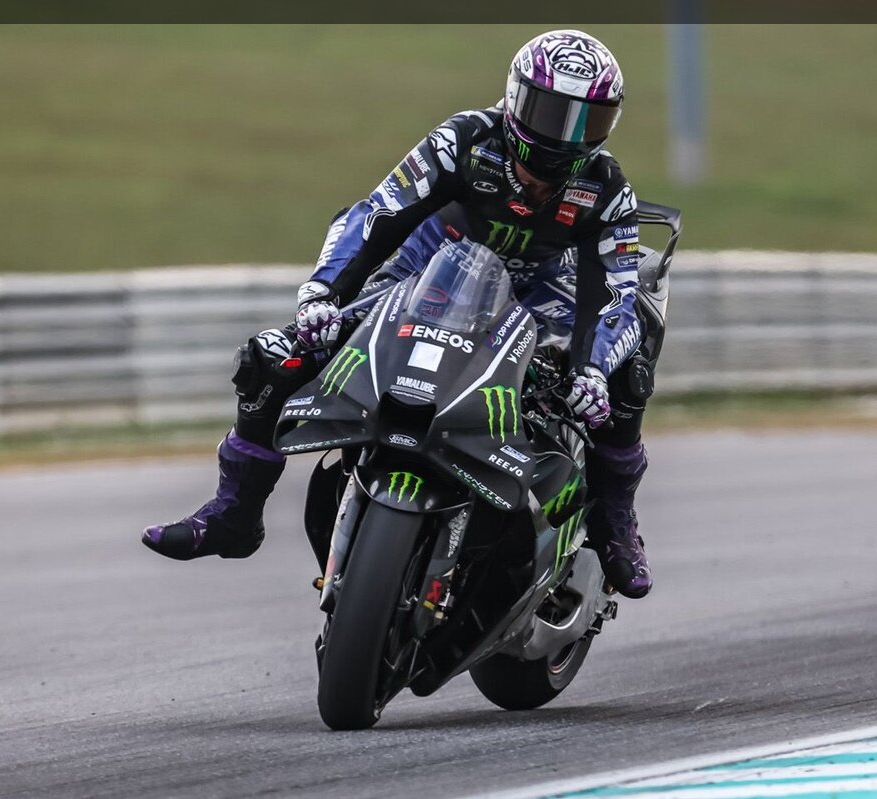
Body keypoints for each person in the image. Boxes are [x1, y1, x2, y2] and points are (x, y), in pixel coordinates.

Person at [142, 29, 654, 599]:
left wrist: (590, 370)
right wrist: (323, 294)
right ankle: (235, 513)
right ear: (515, 98)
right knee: (273, 357)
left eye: (587, 121)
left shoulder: (607, 188)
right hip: (430, 269)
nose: (565, 137)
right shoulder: (464, 139)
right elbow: (378, 211)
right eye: (553, 113)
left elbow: (616, 294)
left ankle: (615, 520)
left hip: (542, 294)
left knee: (627, 374)